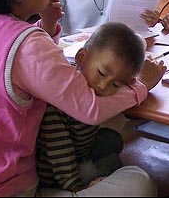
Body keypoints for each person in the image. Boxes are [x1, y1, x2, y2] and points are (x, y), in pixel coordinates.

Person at [0, 0, 166, 197]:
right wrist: (141, 85)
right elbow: (89, 108)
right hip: (8, 187)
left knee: (107, 144)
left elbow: (20, 70)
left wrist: (48, 27)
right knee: (140, 180)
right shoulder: (27, 44)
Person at [36, 21, 151, 192]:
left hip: (81, 153)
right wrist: (77, 187)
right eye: (102, 74)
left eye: (116, 84)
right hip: (53, 175)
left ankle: (97, 173)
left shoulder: (96, 93)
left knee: (112, 139)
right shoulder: (60, 101)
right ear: (81, 58)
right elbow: (60, 153)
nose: (103, 86)